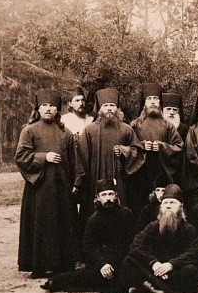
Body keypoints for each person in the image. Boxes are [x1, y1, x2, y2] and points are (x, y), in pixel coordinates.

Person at [16, 89, 82, 278]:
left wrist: (76, 181)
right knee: (41, 224)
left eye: (52, 106)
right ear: (38, 108)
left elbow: (74, 159)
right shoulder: (29, 130)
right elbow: (21, 156)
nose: (48, 109)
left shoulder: (65, 132)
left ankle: (63, 264)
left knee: (62, 223)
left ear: (57, 110)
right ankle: (38, 265)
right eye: (44, 105)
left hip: (62, 186)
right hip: (40, 187)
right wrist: (44, 157)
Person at [41, 179, 136, 293]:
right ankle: (56, 281)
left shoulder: (126, 213)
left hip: (122, 258)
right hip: (102, 260)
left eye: (110, 194)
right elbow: (89, 247)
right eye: (104, 195)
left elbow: (132, 240)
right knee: (92, 276)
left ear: (116, 196)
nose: (108, 198)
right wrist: (102, 264)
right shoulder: (94, 219)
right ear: (98, 198)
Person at [119, 184, 198, 293]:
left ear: (181, 206)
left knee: (191, 270)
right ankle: (159, 292)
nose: (168, 206)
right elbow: (136, 246)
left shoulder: (188, 229)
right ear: (161, 207)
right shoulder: (152, 226)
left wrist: (171, 264)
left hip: (174, 272)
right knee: (128, 260)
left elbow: (195, 251)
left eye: (172, 203)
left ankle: (148, 289)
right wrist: (153, 263)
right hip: (155, 270)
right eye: (165, 203)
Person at [76, 87, 139, 237]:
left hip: (120, 181)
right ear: (99, 108)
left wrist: (125, 151)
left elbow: (137, 151)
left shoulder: (127, 129)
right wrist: (82, 183)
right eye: (105, 105)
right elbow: (81, 158)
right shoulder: (89, 130)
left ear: (117, 108)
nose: (109, 108)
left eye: (112, 105)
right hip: (94, 180)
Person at [129, 83, 184, 203]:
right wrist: (142, 146)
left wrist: (162, 146)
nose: (153, 102)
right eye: (149, 99)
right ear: (144, 102)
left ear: (160, 102)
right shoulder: (135, 125)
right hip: (140, 172)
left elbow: (179, 146)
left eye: (156, 98)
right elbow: (128, 147)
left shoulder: (168, 125)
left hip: (162, 171)